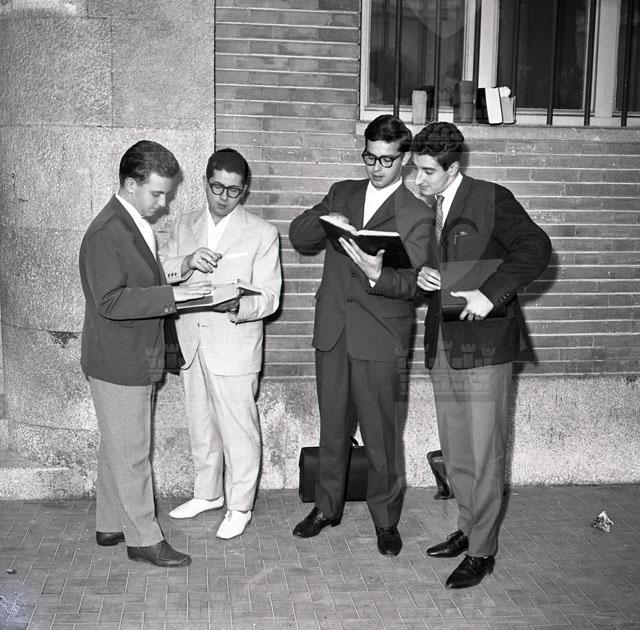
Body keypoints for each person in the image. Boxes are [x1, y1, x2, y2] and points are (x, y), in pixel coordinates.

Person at [412, 122, 551, 588]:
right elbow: (441, 265)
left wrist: (491, 294)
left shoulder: (492, 198)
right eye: (416, 169)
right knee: (456, 450)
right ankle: (467, 527)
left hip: (486, 347)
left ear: (453, 168)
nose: (418, 179)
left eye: (428, 172)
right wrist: (425, 277)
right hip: (444, 344)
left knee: (486, 451)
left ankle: (483, 550)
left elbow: (536, 248)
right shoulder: (432, 207)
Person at [289, 115, 431, 557]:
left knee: (381, 436)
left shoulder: (418, 214)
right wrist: (322, 217)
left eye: (386, 160)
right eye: (370, 157)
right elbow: (299, 237)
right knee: (332, 428)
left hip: (381, 338)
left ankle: (385, 521)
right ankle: (326, 507)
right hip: (334, 331)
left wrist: (378, 274)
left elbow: (416, 285)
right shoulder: (342, 192)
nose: (376, 167)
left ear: (404, 159)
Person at [79, 140, 213, 567]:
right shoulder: (107, 232)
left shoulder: (132, 222)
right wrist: (175, 296)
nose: (163, 203)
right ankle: (143, 539)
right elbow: (110, 301)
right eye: (157, 193)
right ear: (130, 184)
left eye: (167, 194)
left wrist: (182, 268)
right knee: (133, 451)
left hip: (138, 352)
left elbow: (145, 276)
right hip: (120, 360)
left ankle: (109, 523)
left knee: (117, 443)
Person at [159, 148, 281, 539]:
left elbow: (270, 297)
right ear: (205, 182)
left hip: (234, 345)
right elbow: (162, 270)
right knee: (201, 425)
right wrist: (187, 262)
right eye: (217, 187)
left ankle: (240, 505)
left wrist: (238, 306)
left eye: (233, 190)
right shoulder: (184, 224)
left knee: (238, 431)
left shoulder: (262, 232)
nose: (224, 197)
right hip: (192, 340)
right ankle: (207, 494)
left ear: (244, 191)